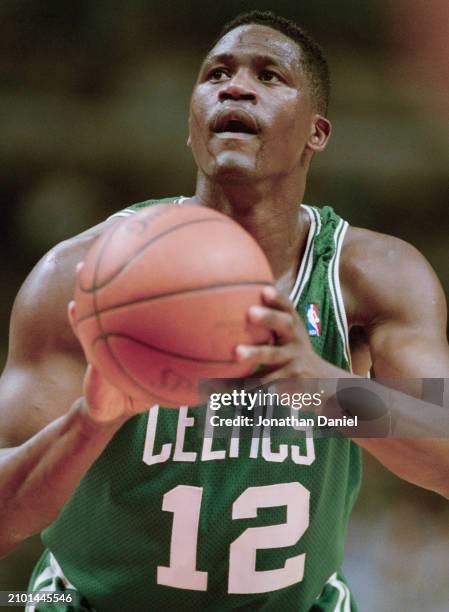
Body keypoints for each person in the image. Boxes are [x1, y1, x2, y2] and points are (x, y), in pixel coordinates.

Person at [0, 10, 448, 612]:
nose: (235, 86)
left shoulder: (371, 277)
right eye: (216, 74)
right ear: (191, 126)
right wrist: (93, 421)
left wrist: (320, 386)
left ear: (317, 133)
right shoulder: (76, 277)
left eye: (269, 76)